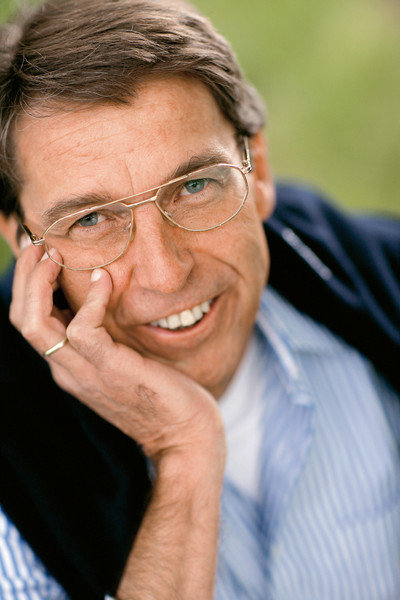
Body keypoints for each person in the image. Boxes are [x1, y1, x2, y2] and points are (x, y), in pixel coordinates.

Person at [0, 0, 399, 598]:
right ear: (21, 241)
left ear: (258, 172)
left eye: (194, 185)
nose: (165, 275)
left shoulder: (383, 277)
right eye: (91, 220)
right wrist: (184, 449)